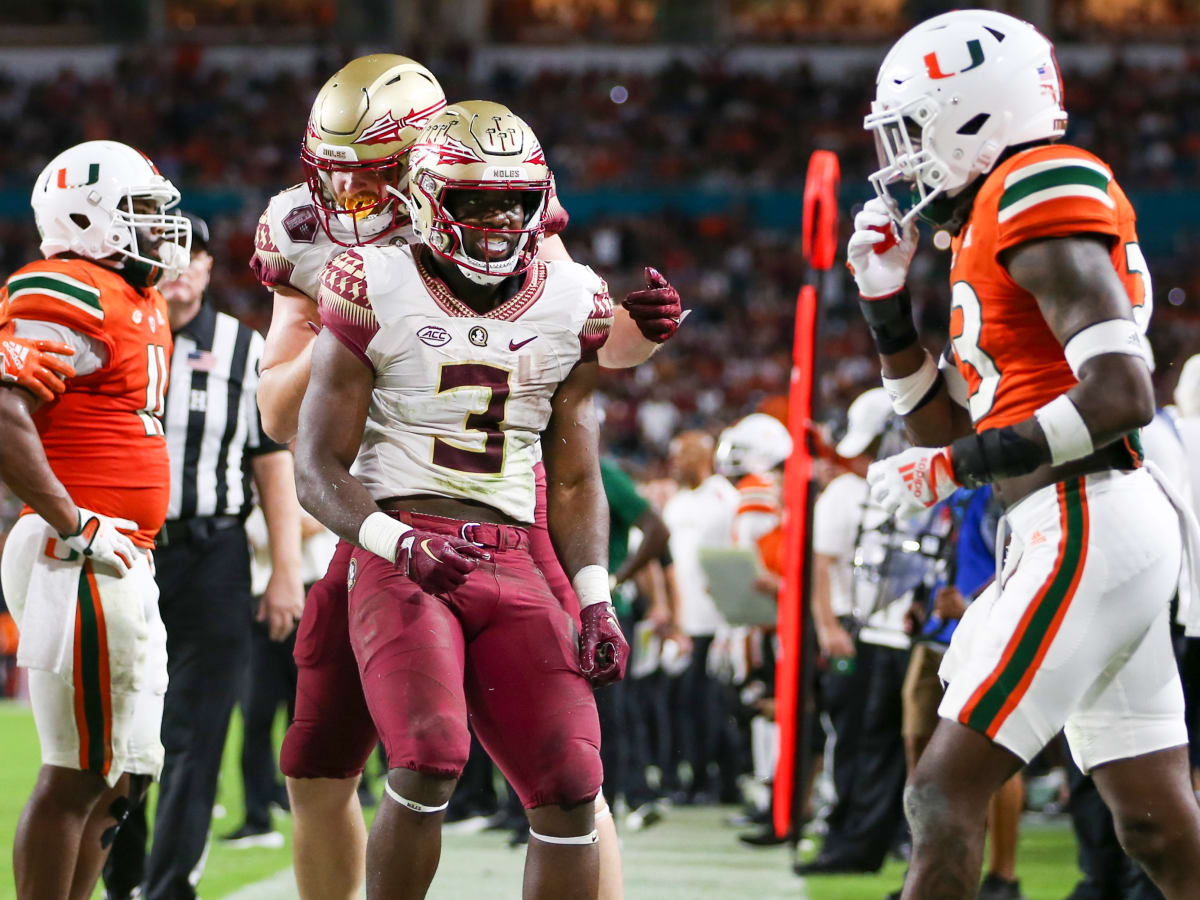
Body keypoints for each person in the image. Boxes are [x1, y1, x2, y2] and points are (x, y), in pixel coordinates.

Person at [252, 54, 682, 900]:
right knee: (317, 757)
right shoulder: (315, 237)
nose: (352, 202)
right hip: (372, 511)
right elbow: (279, 417)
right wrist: (362, 309)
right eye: (339, 177)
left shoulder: (496, 199)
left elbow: (578, 343)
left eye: (375, 176)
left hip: (502, 511)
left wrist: (637, 333)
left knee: (567, 768)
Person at [848, 10, 1200, 898]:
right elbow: (943, 426)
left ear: (974, 111)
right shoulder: (986, 218)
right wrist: (888, 307)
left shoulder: (1038, 180)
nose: (904, 155)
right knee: (1158, 828)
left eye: (915, 126)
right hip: (1070, 521)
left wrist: (956, 470)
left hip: (1086, 518)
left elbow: (1123, 393)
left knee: (939, 791)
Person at [0, 139, 190, 900]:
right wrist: (75, 521)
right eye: (142, 211)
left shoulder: (137, 299)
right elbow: (5, 409)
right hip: (77, 549)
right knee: (79, 769)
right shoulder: (65, 286)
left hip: (121, 552)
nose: (160, 226)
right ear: (86, 216)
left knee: (123, 769)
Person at [102, 214, 305, 900]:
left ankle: (168, 889)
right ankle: (123, 878)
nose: (177, 269)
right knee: (122, 727)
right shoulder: (117, 332)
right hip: (125, 553)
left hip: (213, 551)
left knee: (198, 730)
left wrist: (283, 568)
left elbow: (271, 459)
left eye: (188, 257)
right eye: (163, 254)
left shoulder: (243, 350)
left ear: (207, 269)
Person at [801, 387, 915, 875]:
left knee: (880, 742)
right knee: (857, 740)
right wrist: (828, 624)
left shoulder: (895, 486)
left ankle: (874, 834)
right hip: (860, 631)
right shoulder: (847, 492)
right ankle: (851, 832)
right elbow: (821, 567)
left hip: (891, 632)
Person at [661, 430, 741, 803]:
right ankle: (694, 777)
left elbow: (735, 563)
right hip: (685, 621)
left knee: (716, 705)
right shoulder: (676, 504)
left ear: (701, 455)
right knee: (687, 706)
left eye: (681, 455)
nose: (674, 462)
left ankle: (725, 780)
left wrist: (731, 623)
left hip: (715, 620)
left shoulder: (725, 499)